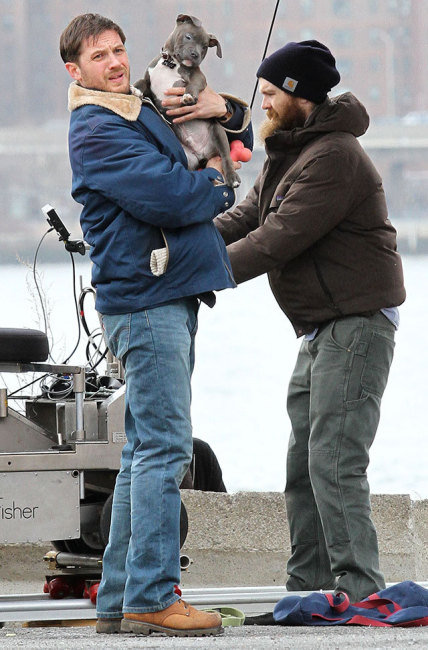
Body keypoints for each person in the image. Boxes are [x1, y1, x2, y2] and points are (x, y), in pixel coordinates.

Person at [59, 13, 251, 637]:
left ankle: (118, 599)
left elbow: (214, 128)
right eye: (99, 57)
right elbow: (171, 195)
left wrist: (226, 110)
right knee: (166, 449)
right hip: (146, 299)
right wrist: (219, 185)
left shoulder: (136, 105)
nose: (114, 62)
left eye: (119, 50)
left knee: (143, 450)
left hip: (165, 292)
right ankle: (152, 594)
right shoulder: (95, 128)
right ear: (75, 70)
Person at [215, 40, 405, 603]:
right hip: (321, 326)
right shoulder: (291, 148)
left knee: (335, 459)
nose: (263, 103)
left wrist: (192, 277)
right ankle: (310, 587)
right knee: (302, 463)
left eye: (271, 93)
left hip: (357, 323)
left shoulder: (335, 156)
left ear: (299, 95)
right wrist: (180, 241)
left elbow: (278, 239)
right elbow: (248, 216)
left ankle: (362, 590)